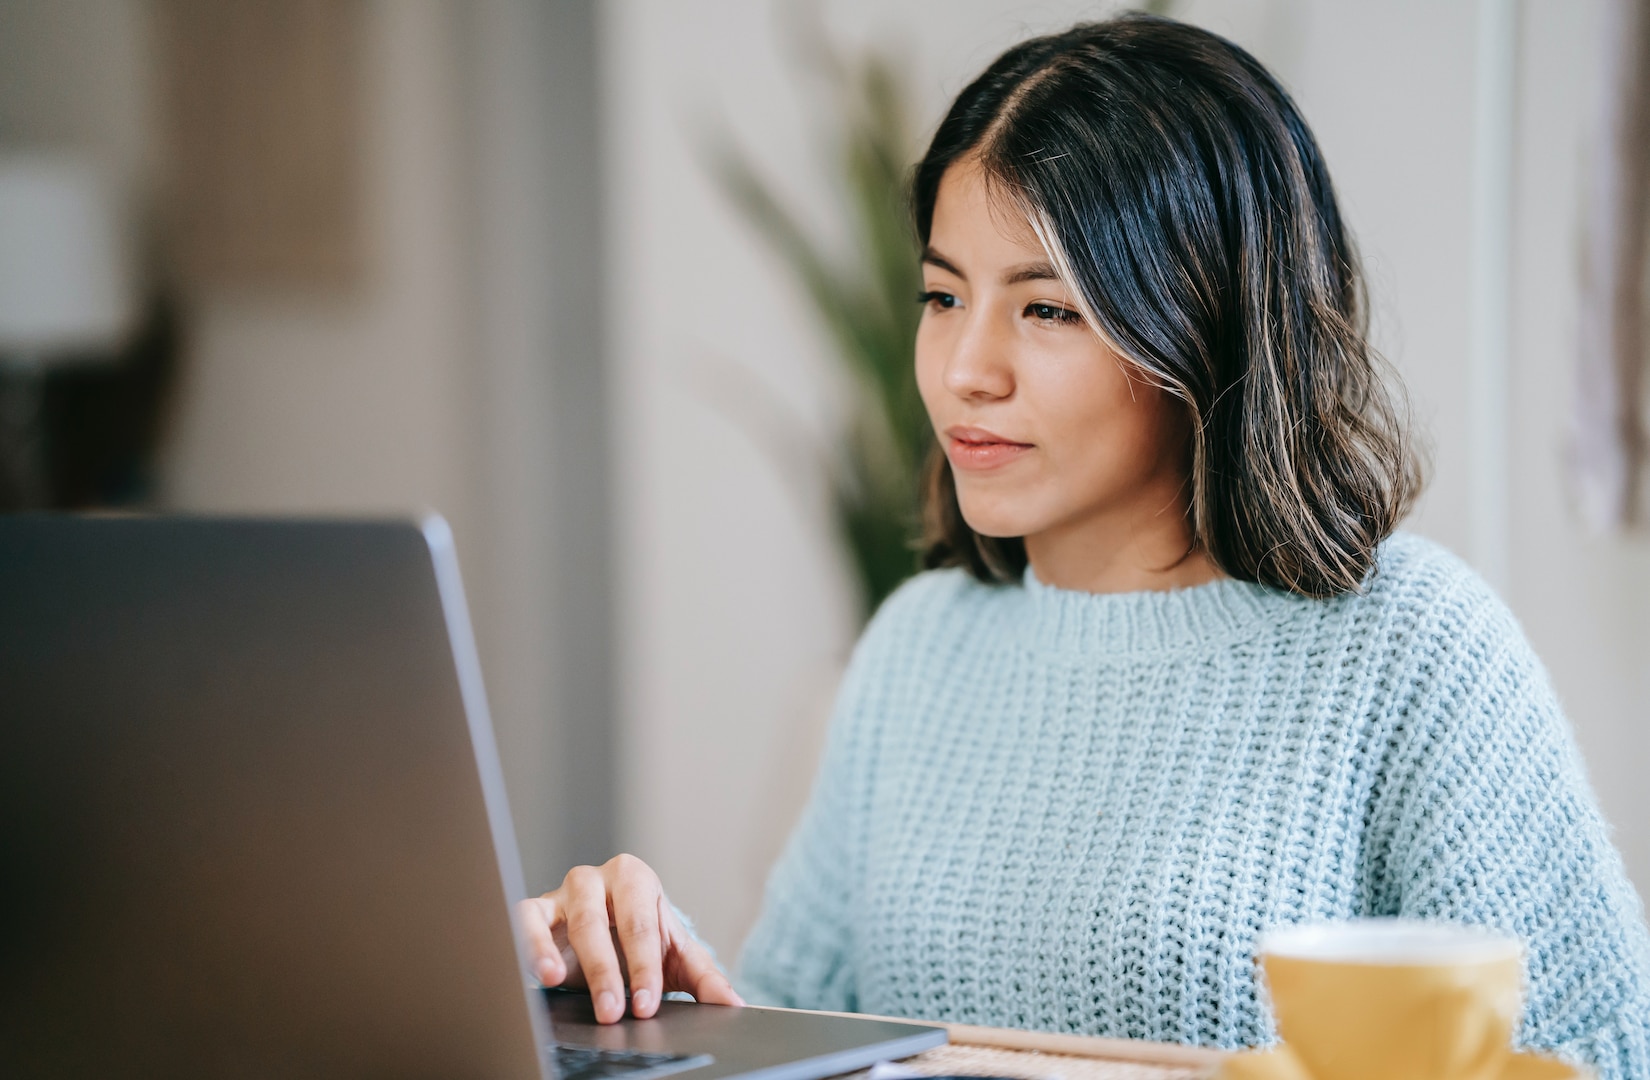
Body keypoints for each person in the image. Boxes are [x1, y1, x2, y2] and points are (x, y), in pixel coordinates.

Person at [517, 15, 1650, 1078]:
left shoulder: (1410, 649)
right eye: (942, 295)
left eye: (1046, 308)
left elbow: (1607, 1053)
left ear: (1203, 323)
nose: (966, 369)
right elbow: (798, 1025)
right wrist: (631, 989)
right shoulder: (919, 648)